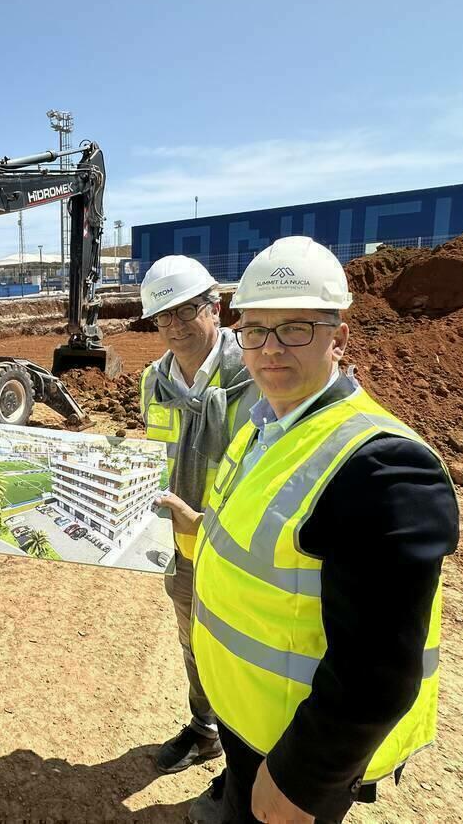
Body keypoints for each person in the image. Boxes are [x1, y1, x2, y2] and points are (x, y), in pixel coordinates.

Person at [179, 236, 459, 823]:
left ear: (340, 336)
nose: (269, 349)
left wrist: (303, 779)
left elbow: (378, 668)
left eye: (295, 329)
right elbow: (271, 546)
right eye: (254, 330)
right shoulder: (265, 425)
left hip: (294, 744)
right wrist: (195, 532)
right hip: (248, 721)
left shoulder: (382, 466)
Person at [137, 256, 259, 774]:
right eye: (163, 316)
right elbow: (151, 458)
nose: (175, 326)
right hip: (181, 547)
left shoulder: (254, 371)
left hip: (243, 545)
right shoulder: (153, 382)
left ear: (215, 306)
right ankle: (206, 729)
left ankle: (247, 757)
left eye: (187, 310)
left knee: (246, 651)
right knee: (194, 643)